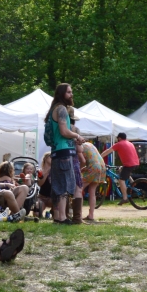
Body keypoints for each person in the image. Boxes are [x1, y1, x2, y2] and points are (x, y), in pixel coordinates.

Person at [45, 83, 86, 223]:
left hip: (56, 151)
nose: (71, 94)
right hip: (64, 151)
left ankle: (57, 216)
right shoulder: (61, 109)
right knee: (64, 185)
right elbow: (64, 131)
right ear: (62, 94)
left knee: (57, 185)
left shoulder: (53, 110)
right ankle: (62, 217)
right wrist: (77, 136)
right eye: (69, 92)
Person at [101, 132, 141, 205]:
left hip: (129, 165)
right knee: (120, 169)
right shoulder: (130, 143)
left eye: (117, 138)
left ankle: (125, 198)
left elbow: (108, 151)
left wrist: (100, 157)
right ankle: (132, 182)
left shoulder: (119, 144)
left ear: (119, 138)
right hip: (136, 163)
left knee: (121, 180)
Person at [78, 140, 107, 223]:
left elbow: (83, 161)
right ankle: (91, 215)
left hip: (93, 167)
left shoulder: (80, 147)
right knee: (92, 191)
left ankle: (78, 215)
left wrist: (78, 169)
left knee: (79, 189)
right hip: (101, 166)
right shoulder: (90, 145)